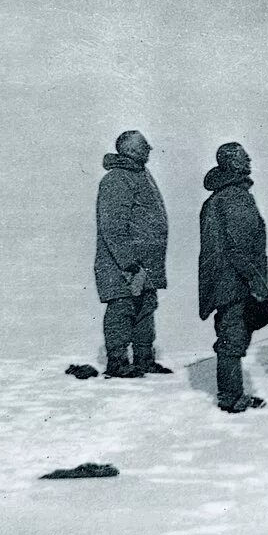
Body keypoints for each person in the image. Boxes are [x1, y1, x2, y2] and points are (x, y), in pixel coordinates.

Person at [199, 142, 268, 413]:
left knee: (232, 336)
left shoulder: (218, 197)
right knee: (232, 339)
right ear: (232, 163)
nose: (249, 159)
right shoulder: (235, 197)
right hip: (234, 283)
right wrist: (257, 282)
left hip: (224, 282)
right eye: (243, 156)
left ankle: (233, 393)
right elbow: (239, 249)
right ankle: (231, 397)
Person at [94, 130, 171, 378]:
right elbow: (113, 227)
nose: (149, 147)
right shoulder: (117, 179)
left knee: (146, 308)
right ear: (131, 150)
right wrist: (130, 264)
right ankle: (117, 362)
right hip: (123, 266)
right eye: (144, 144)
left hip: (143, 264)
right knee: (122, 308)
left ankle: (144, 360)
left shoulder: (140, 175)